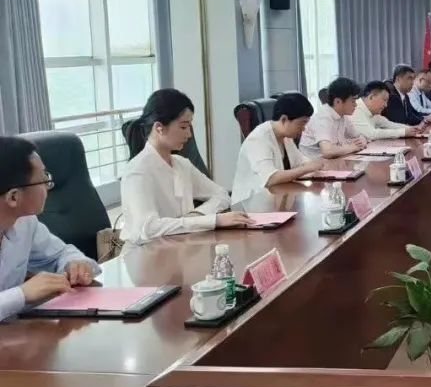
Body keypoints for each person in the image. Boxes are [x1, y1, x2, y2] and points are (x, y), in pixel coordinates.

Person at [120, 89, 250, 247]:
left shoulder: (181, 164)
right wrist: (211, 220)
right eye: (183, 127)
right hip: (145, 253)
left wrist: (196, 215)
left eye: (189, 127)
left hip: (181, 246)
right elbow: (148, 229)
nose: (189, 134)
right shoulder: (137, 171)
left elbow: (222, 195)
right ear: (159, 128)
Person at [0, 136, 99, 321]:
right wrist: (22, 294)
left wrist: (75, 264)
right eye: (43, 179)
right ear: (13, 197)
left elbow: (60, 254)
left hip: (15, 332)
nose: (48, 185)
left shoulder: (25, 222)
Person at [232, 93, 326, 204]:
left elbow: (301, 161)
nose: (304, 129)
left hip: (277, 198)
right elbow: (270, 178)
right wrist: (307, 170)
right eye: (302, 123)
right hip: (251, 204)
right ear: (284, 119)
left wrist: (315, 166)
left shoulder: (286, 137)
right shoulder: (258, 139)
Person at [299, 77, 369, 159]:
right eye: (353, 101)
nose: (356, 105)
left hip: (332, 161)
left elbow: (359, 136)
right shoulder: (323, 117)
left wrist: (361, 141)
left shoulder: (343, 116)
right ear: (337, 101)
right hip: (313, 162)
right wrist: (352, 147)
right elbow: (327, 152)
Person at [353, 81, 424, 141]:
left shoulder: (372, 112)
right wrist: (403, 132)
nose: (386, 105)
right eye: (384, 100)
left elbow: (388, 124)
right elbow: (372, 134)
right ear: (371, 97)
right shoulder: (355, 108)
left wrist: (411, 129)